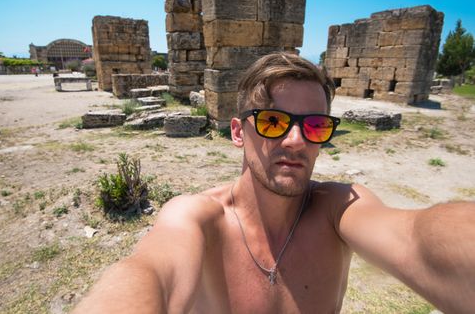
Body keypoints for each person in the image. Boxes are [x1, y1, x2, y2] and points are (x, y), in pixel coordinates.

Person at [74, 53, 475, 313]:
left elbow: (416, 241)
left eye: (315, 126)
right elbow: (150, 273)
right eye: (272, 122)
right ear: (237, 132)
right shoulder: (197, 218)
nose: (296, 141)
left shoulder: (339, 210)